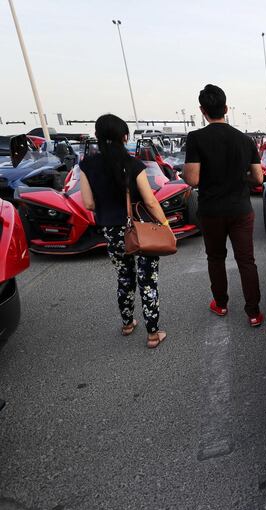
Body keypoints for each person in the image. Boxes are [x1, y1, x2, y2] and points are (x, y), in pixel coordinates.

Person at [79, 114, 169, 348]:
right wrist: (165, 225)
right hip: (139, 229)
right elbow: (150, 201)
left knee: (124, 277)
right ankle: (152, 334)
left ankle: (128, 324)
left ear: (98, 137)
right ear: (124, 136)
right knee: (147, 279)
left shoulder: (87, 166)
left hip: (111, 230)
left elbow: (88, 203)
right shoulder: (134, 164)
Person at [183, 84, 265, 326]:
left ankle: (220, 304)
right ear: (226, 108)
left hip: (211, 211)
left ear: (202, 110)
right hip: (240, 209)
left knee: (216, 258)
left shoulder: (196, 138)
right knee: (246, 260)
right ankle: (253, 312)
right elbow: (258, 178)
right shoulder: (245, 140)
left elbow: (193, 179)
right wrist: (241, 178)